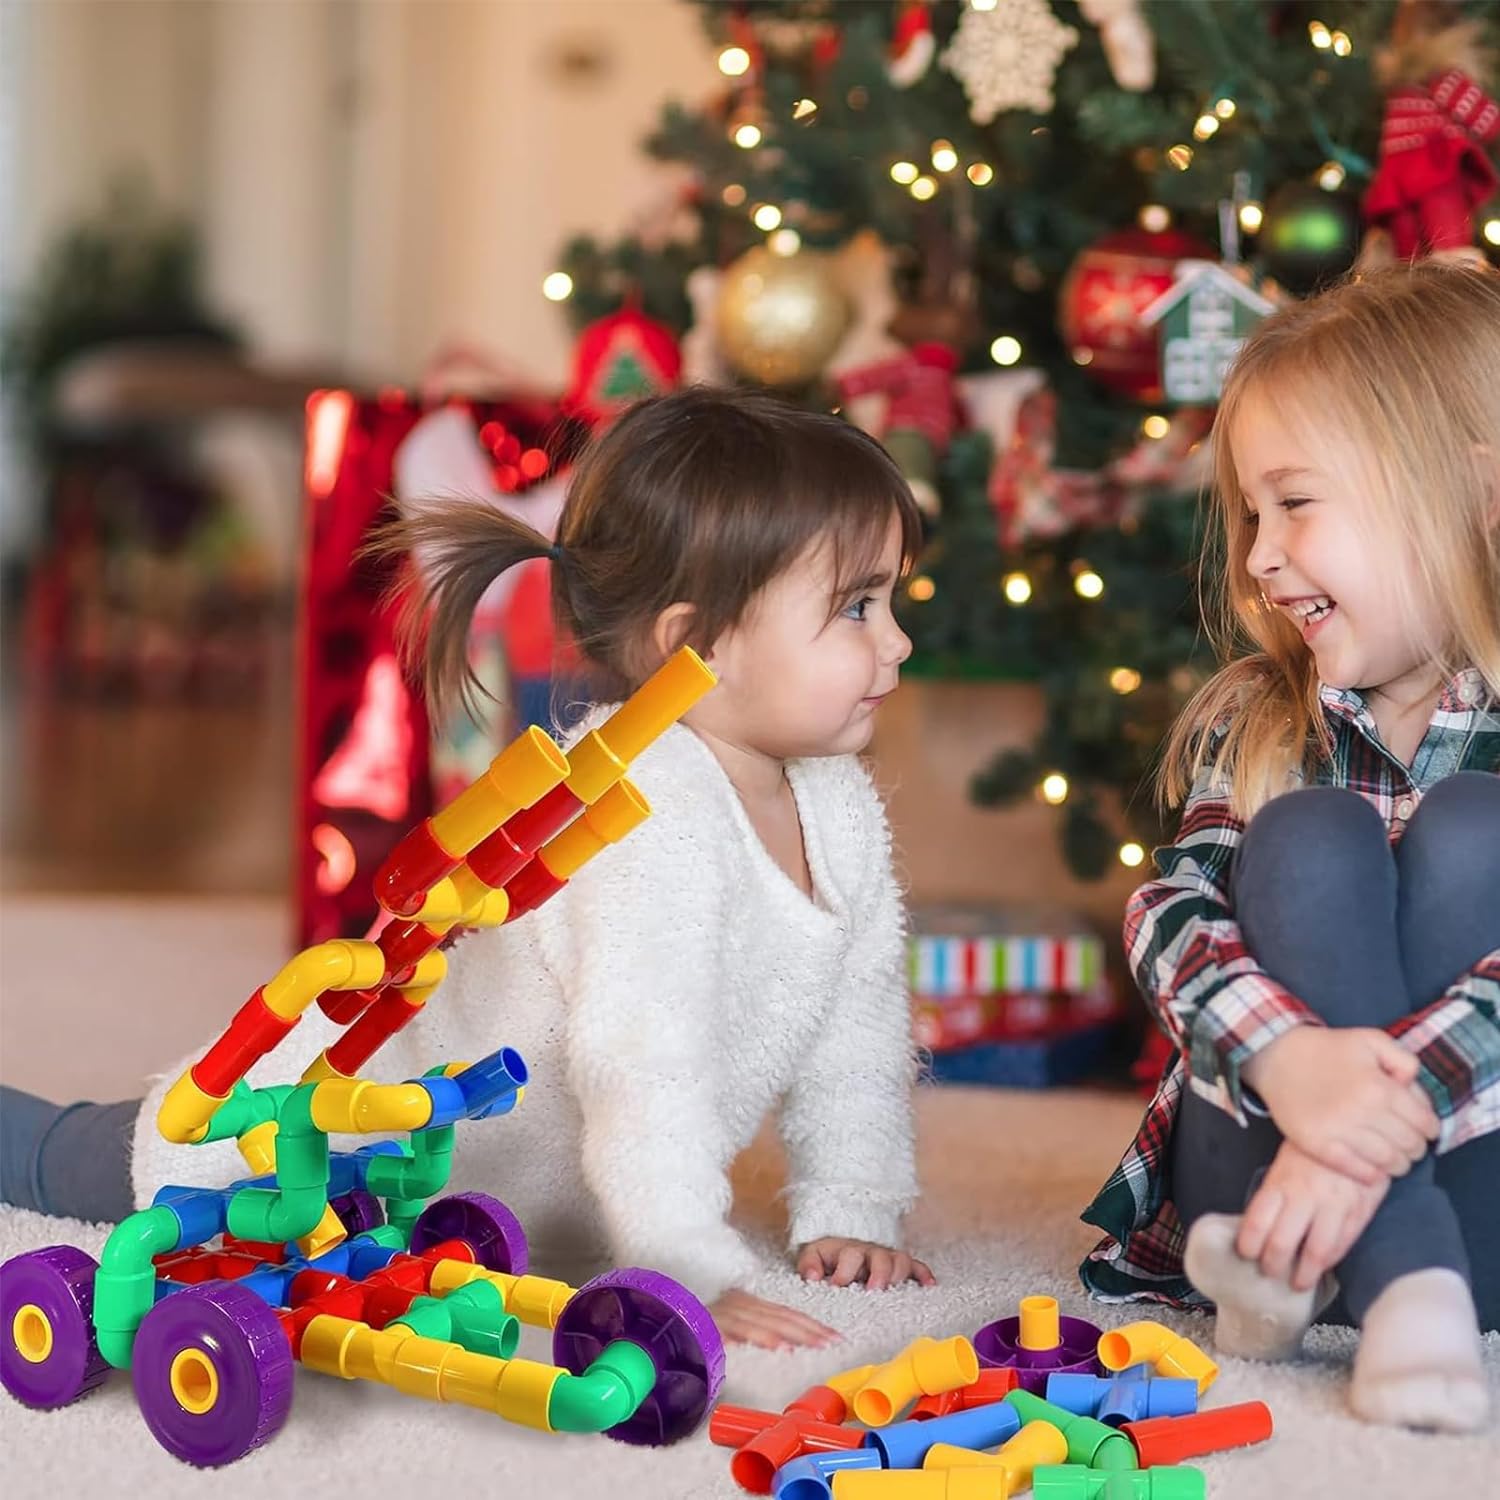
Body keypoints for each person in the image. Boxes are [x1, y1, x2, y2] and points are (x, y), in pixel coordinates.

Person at [2, 387, 937, 1350]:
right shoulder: (644, 809)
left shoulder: (840, 807)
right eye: (858, 608)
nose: (898, 639)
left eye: (892, 600)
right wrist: (687, 1262)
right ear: (696, 645)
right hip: (331, 1150)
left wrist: (853, 1208)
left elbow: (858, 1028)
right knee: (84, 1161)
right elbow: (640, 1059)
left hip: (513, 1214)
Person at [1080, 264, 1500, 1433]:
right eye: (1250, 516)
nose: (1260, 557)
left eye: (1296, 503)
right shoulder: (1259, 721)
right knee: (1310, 832)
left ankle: (1341, 1250)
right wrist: (1292, 1070)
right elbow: (1168, 911)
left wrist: (1358, 1132)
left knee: (1478, 828)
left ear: (1475, 494)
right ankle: (1410, 1280)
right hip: (1247, 1157)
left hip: (1486, 1183)